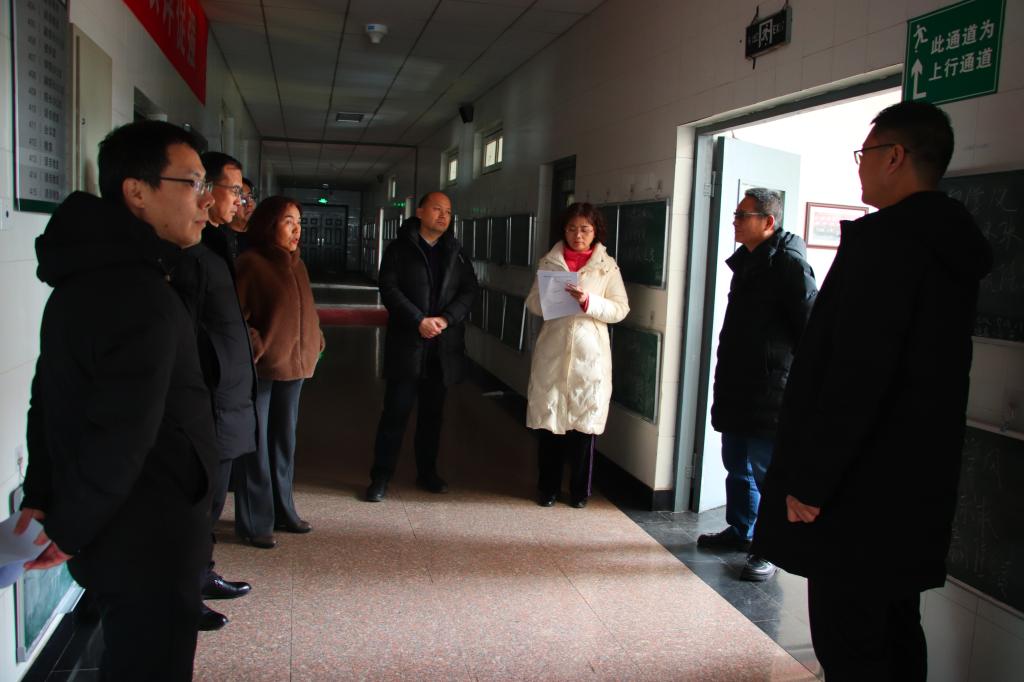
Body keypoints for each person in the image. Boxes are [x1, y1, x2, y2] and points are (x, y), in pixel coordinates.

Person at [751, 101, 993, 680]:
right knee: (897, 631)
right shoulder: (947, 243)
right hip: (912, 487)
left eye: (865, 153)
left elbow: (857, 373)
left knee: (851, 643)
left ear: (895, 157)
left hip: (857, 492)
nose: (860, 166)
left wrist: (813, 481)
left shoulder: (888, 244)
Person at [14, 120, 219, 680]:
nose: (207, 201)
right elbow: (123, 433)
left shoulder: (91, 276)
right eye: (193, 184)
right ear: (137, 192)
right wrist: (66, 528)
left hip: (122, 526)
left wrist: (45, 497)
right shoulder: (137, 292)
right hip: (147, 532)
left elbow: (47, 397)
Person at [697, 188, 817, 582]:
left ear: (768, 221)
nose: (734, 220)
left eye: (742, 214)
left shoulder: (790, 265)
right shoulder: (749, 261)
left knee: (768, 474)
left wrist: (791, 383)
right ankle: (741, 530)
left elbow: (810, 331)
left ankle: (769, 549)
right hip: (738, 385)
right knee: (736, 465)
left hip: (770, 390)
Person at [173, 151, 258, 635]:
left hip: (225, 396)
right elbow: (188, 333)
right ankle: (183, 592)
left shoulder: (218, 244)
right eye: (235, 191)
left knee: (212, 498)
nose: (240, 200)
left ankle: (201, 573)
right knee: (197, 502)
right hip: (208, 398)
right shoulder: (191, 251)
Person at [364, 192, 478, 502]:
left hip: (442, 348)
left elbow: (469, 290)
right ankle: (380, 477)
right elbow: (388, 288)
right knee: (395, 413)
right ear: (420, 211)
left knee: (433, 416)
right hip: (408, 344)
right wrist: (418, 320)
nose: (443, 216)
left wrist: (446, 319)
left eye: (448, 212)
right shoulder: (400, 248)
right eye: (437, 209)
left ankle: (427, 472)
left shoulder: (455, 251)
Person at [525, 202, 629, 508]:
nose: (578, 235)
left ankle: (580, 491)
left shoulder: (607, 267)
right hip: (553, 351)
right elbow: (532, 302)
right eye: (571, 228)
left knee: (584, 426)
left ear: (596, 232)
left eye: (585, 229)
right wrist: (550, 299)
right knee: (550, 421)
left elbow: (620, 309)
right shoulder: (550, 262)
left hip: (589, 356)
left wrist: (588, 301)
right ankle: (548, 488)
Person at [235, 196, 324, 534]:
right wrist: (259, 347)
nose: (296, 229)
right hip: (262, 369)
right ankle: (255, 521)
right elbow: (235, 318)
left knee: (284, 442)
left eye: (299, 222)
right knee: (256, 445)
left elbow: (306, 310)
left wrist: (316, 340)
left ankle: (284, 509)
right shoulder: (250, 263)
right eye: (289, 221)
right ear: (268, 224)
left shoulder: (298, 264)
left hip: (294, 368)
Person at [223, 176, 256, 259]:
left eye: (251, 197)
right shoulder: (219, 238)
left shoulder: (261, 236)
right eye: (242, 199)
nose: (249, 204)